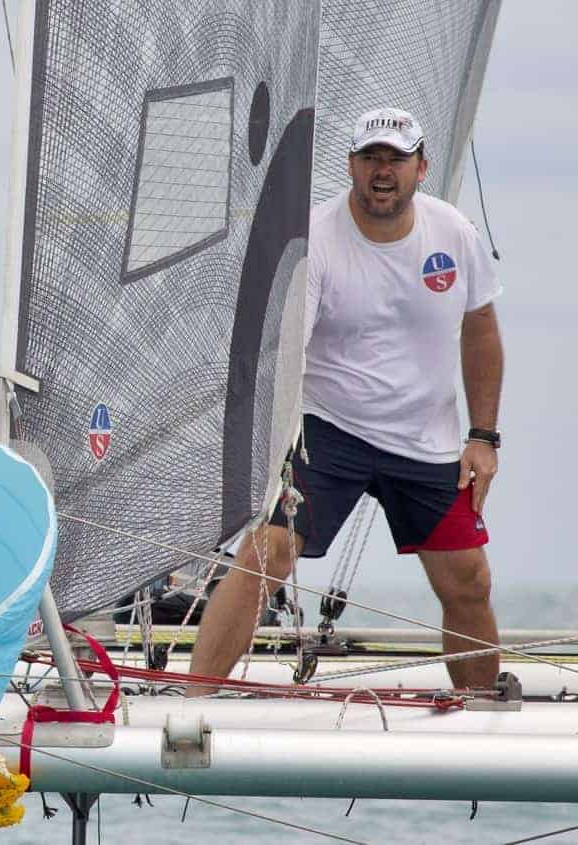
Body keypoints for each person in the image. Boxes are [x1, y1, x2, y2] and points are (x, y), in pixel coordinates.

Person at [190, 107, 504, 692]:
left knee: (469, 580)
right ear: (351, 166)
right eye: (371, 158)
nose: (383, 171)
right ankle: (192, 702)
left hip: (426, 439)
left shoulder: (454, 233)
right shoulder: (318, 238)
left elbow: (481, 328)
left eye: (396, 160)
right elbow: (284, 352)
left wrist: (483, 437)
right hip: (330, 431)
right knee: (268, 551)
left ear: (421, 168)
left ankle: (483, 707)